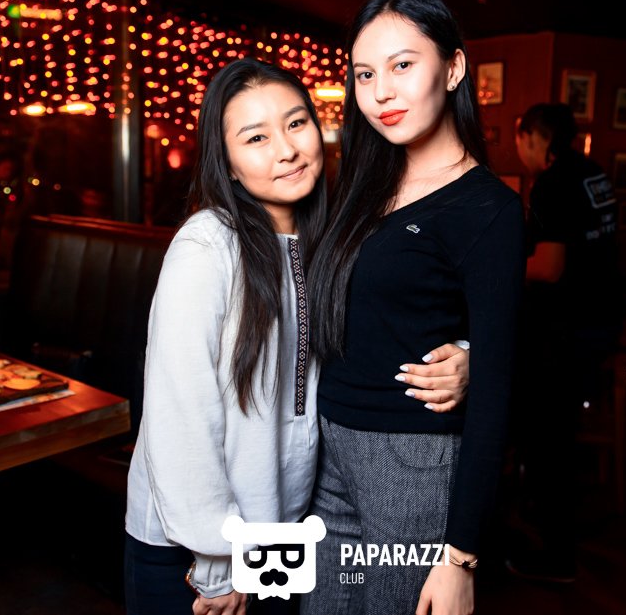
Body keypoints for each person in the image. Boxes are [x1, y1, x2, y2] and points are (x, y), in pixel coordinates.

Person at [123, 58, 470, 615]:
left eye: (296, 123)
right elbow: (178, 416)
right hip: (197, 553)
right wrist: (218, 562)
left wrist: (466, 356)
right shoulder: (207, 247)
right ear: (227, 163)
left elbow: (398, 325)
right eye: (256, 137)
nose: (286, 149)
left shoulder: (328, 241)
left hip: (281, 537)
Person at [304, 0, 524, 615]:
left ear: (453, 69)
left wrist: (461, 557)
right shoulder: (361, 185)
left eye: (402, 65)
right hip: (330, 452)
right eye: (364, 74)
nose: (381, 92)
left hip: (412, 461)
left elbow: (497, 391)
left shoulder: (488, 208)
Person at [505, 102, 621, 583]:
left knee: (545, 433)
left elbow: (550, 268)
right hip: (601, 321)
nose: (520, 149)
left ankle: (555, 555)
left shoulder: (553, 184)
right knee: (551, 429)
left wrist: (499, 267)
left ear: (537, 137)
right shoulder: (595, 173)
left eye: (521, 139)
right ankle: (539, 518)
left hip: (569, 330)